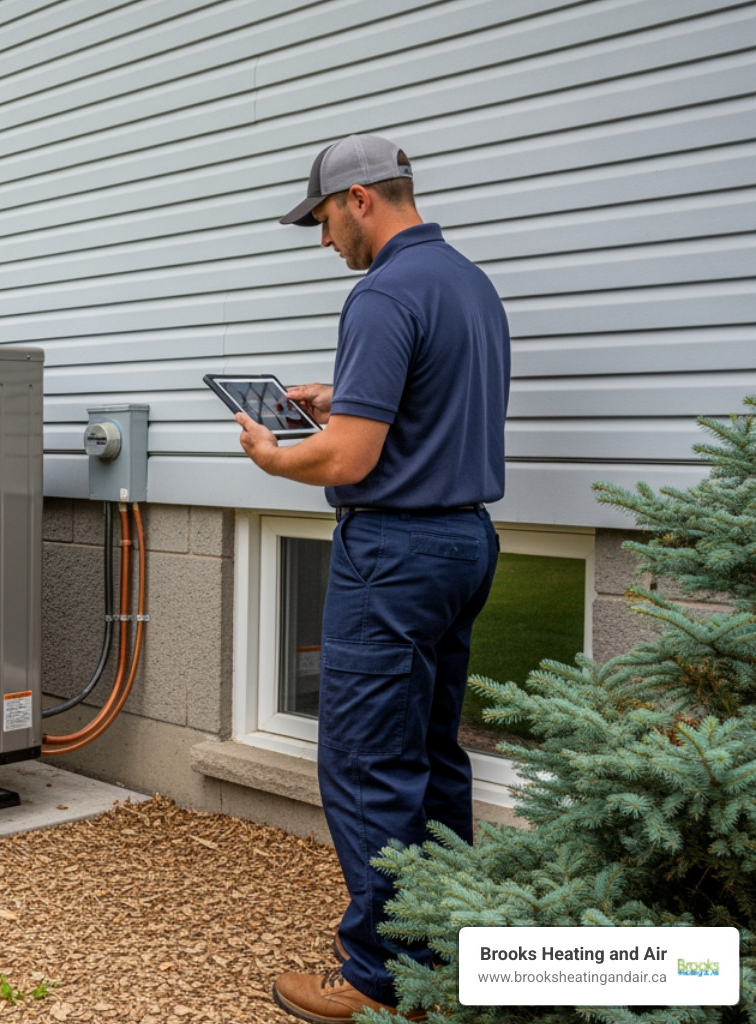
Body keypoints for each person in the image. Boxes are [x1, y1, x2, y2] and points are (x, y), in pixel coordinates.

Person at [237, 135, 509, 1023]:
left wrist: (276, 457)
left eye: (321, 220)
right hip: (465, 542)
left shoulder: (384, 290)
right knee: (433, 758)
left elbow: (353, 458)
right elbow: (424, 408)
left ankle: (380, 981)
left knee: (365, 764)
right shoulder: (470, 284)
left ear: (360, 199)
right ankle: (448, 945)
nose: (324, 242)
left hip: (392, 552)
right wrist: (342, 391)